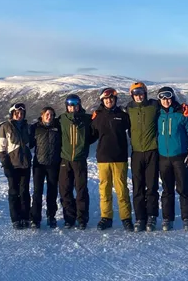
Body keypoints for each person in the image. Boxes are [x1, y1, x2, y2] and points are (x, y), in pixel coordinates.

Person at [91, 88, 133, 231]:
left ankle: (126, 218)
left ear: (115, 99)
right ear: (102, 101)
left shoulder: (123, 116)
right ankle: (106, 218)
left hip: (120, 157)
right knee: (105, 189)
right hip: (103, 158)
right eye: (106, 99)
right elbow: (91, 135)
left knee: (122, 190)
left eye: (111, 98)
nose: (109, 101)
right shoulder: (97, 116)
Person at [156, 87, 188, 231]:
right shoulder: (157, 114)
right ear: (159, 100)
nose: (166, 101)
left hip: (180, 156)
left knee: (183, 188)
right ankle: (167, 218)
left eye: (168, 98)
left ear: (172, 97)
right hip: (163, 157)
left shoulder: (182, 113)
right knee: (167, 189)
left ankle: (187, 218)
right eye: (163, 99)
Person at [58, 94, 97, 229]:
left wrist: (84, 144)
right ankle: (69, 218)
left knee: (81, 190)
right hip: (65, 158)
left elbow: (94, 134)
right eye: (70, 105)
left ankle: (82, 219)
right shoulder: (62, 119)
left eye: (75, 104)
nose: (73, 107)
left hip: (80, 159)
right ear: (66, 106)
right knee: (65, 189)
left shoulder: (86, 119)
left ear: (79, 105)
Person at [126, 82, 160, 232]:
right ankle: (140, 218)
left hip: (152, 150)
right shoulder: (129, 108)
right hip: (136, 152)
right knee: (137, 186)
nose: (138, 96)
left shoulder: (154, 105)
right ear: (131, 95)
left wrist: (181, 107)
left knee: (152, 186)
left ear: (145, 93)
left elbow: (169, 105)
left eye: (141, 92)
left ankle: (151, 216)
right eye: (135, 93)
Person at [0, 102, 32, 230]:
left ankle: (25, 217)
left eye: (22, 113)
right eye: (17, 113)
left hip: (25, 165)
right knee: (13, 192)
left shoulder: (27, 127)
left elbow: (31, 143)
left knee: (24, 192)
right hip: (12, 165)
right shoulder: (5, 127)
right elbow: (1, 147)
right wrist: (5, 164)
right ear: (12, 113)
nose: (19, 115)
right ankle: (16, 219)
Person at [29, 106, 61, 229]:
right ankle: (35, 218)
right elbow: (30, 144)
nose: (49, 116)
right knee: (37, 192)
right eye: (47, 114)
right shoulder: (35, 128)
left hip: (54, 164)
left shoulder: (58, 128)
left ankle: (51, 216)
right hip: (39, 164)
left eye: (52, 114)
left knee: (52, 192)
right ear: (42, 115)